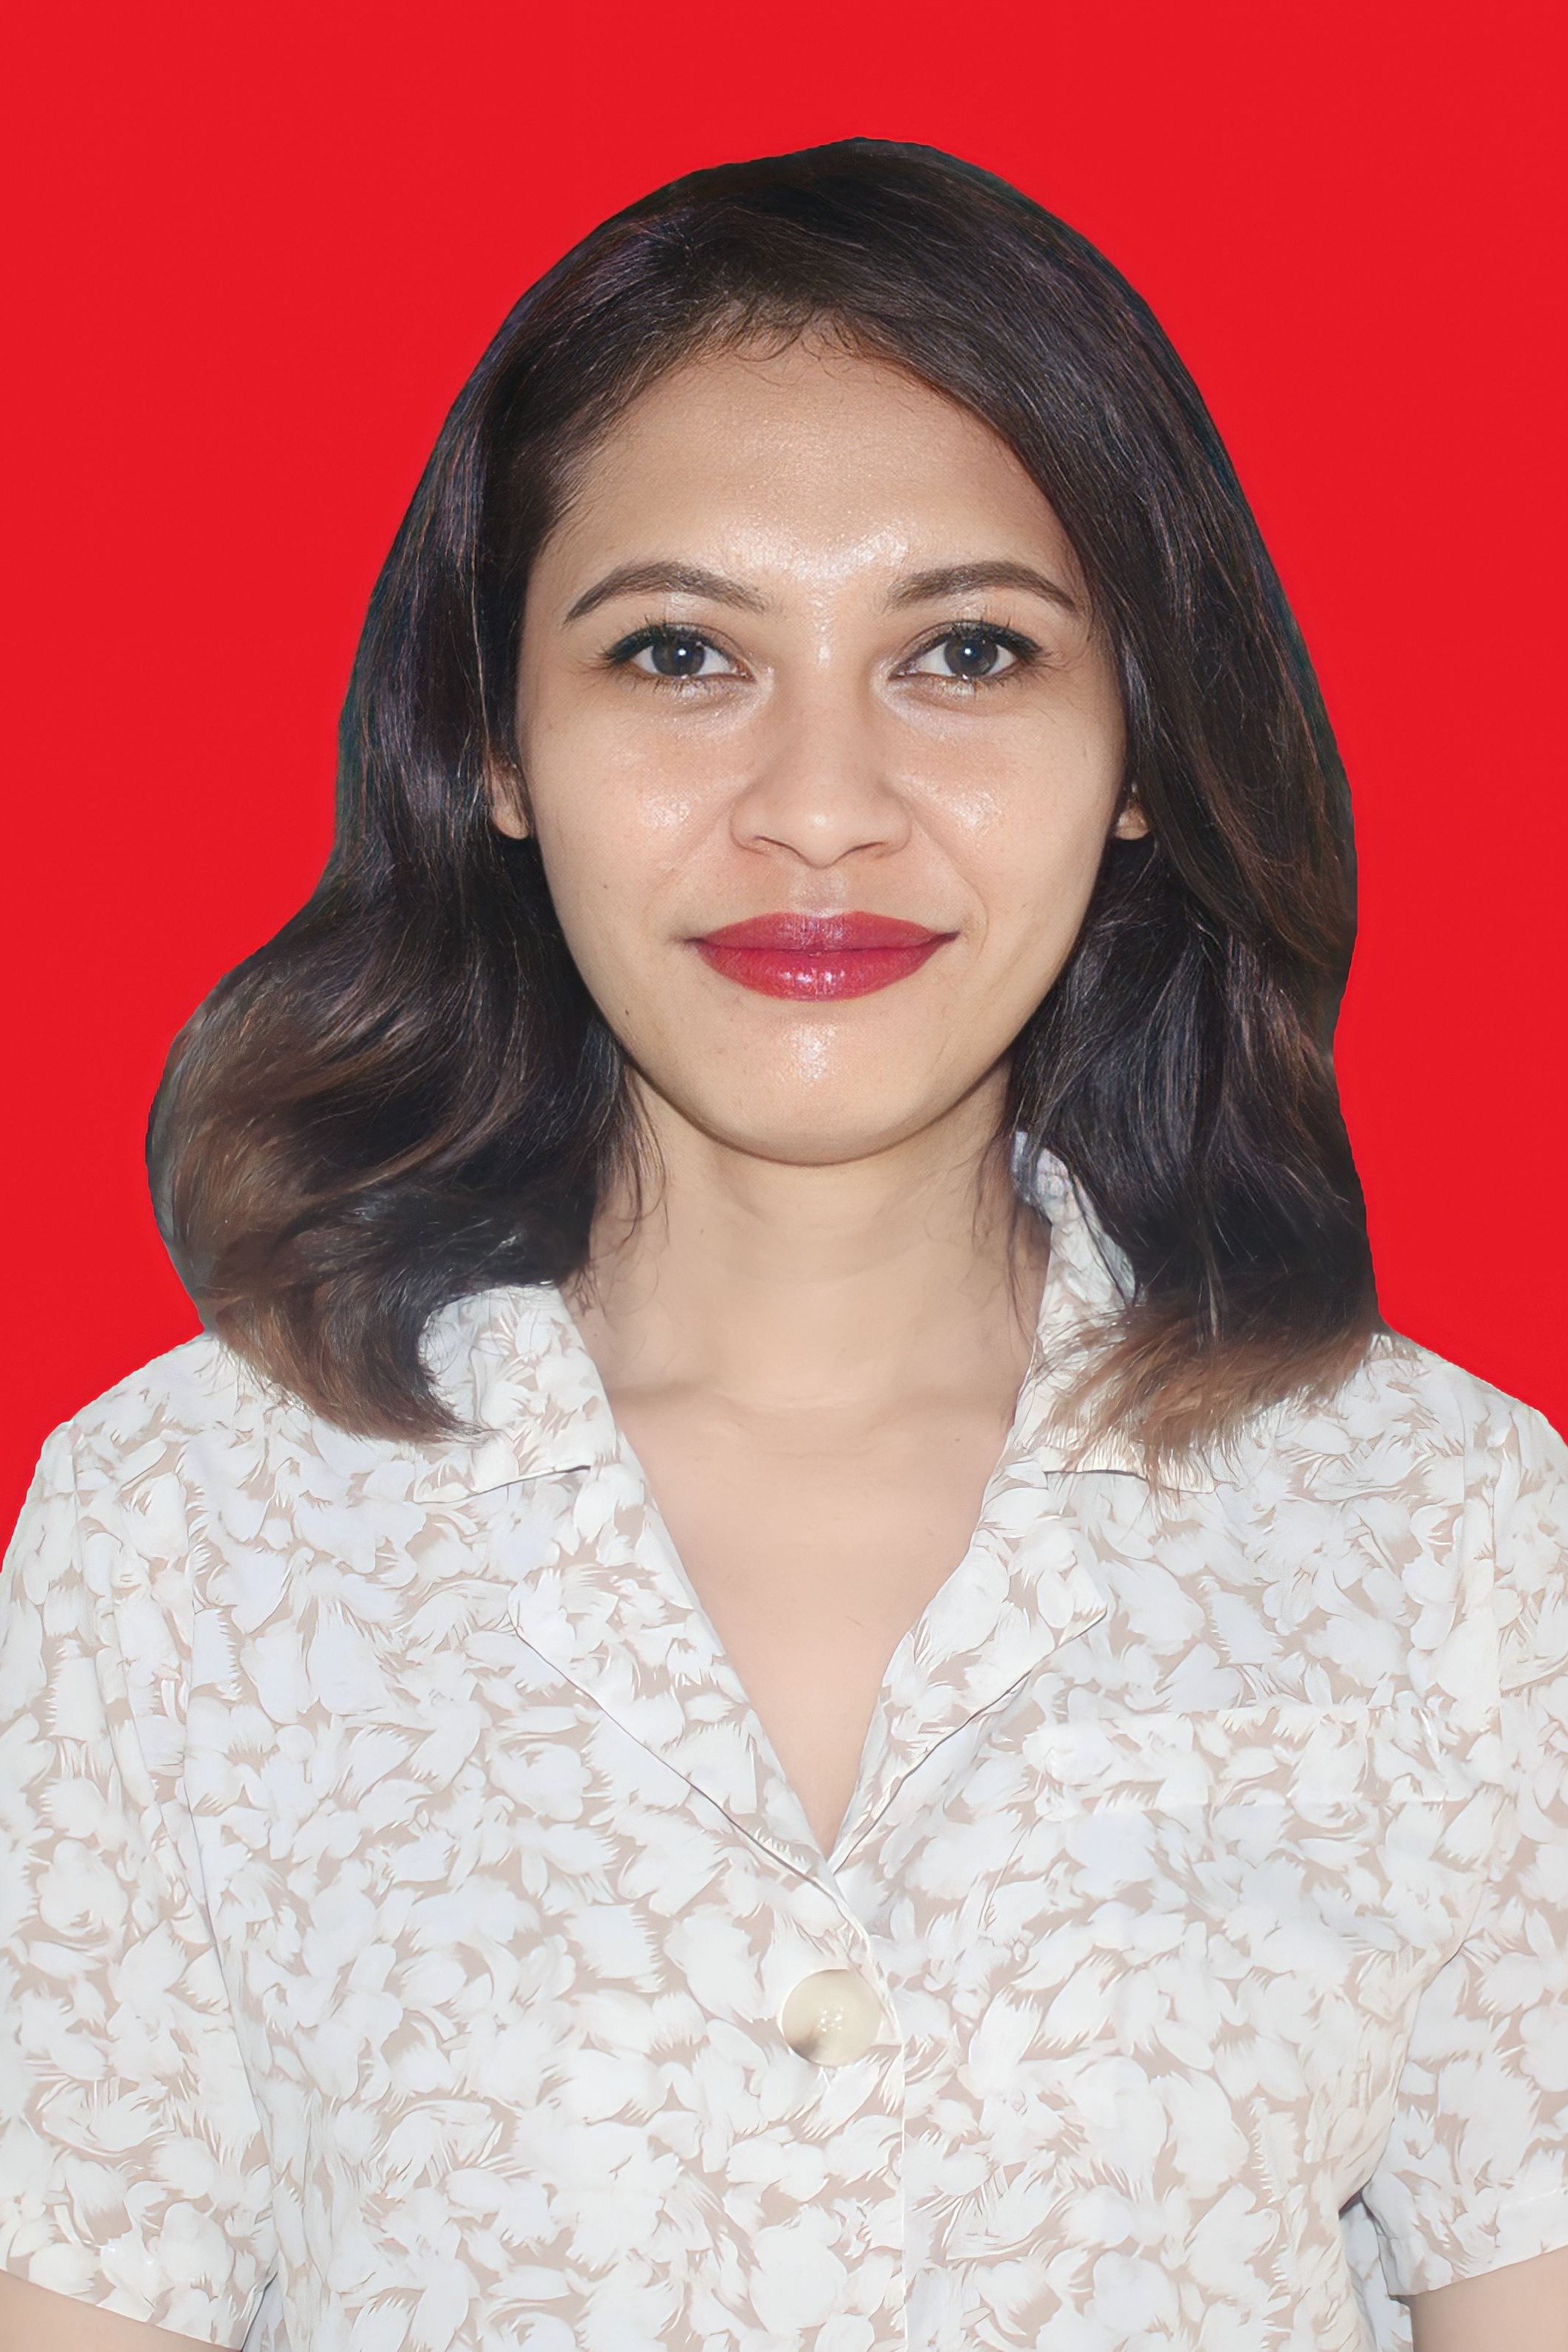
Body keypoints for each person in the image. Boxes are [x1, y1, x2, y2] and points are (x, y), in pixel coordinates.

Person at [0, 139, 1563, 2352]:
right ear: (495, 747)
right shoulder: (186, 1541)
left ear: (1139, 747)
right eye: (678, 653)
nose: (820, 805)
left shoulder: (1451, 1540)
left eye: (966, 652)